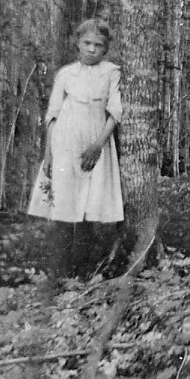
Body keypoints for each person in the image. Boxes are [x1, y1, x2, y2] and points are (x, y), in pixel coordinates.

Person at [28, 18, 125, 277]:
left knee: (88, 208)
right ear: (77, 44)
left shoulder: (111, 72)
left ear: (105, 49)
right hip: (65, 143)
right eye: (87, 43)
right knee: (63, 206)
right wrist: (49, 155)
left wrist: (98, 146)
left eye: (98, 45)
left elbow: (115, 112)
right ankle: (59, 273)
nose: (91, 49)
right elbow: (53, 116)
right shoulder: (66, 74)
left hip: (95, 141)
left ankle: (86, 270)